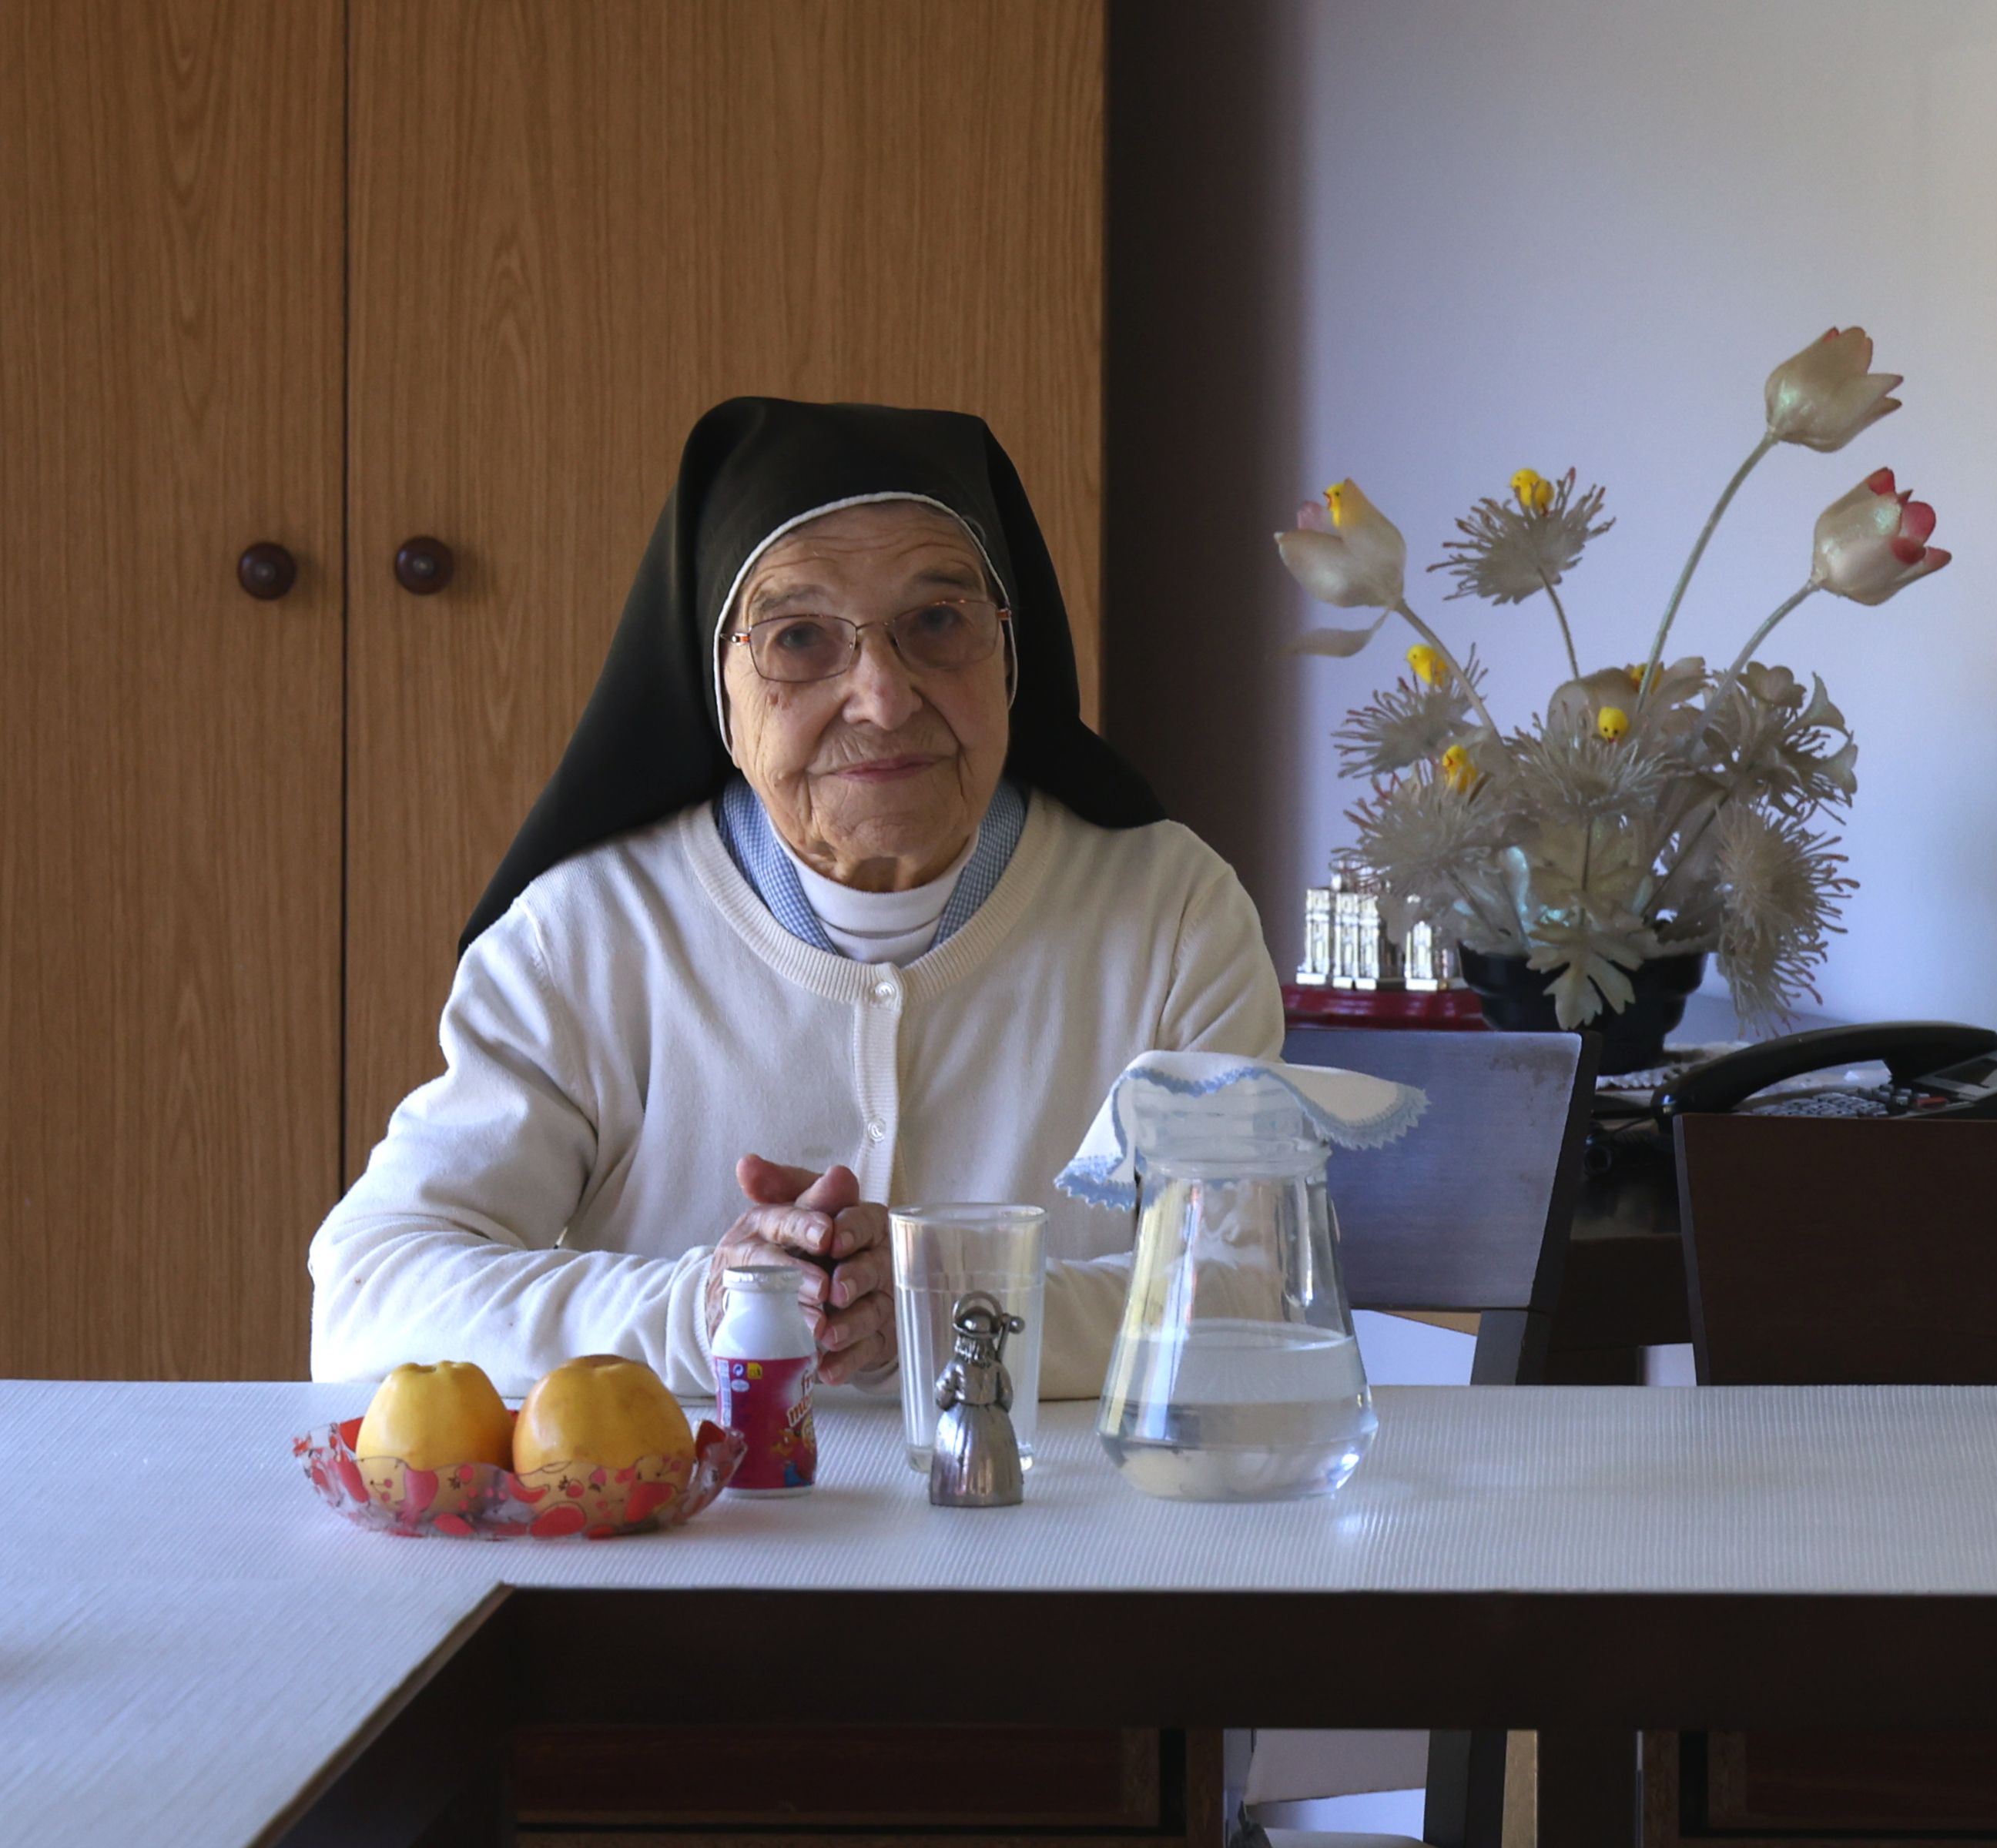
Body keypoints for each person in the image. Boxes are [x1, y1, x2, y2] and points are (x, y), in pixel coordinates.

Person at [310, 399, 1282, 1398]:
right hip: (695, 1548)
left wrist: (945, 1304)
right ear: (717, 684)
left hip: (1062, 1543)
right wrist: (705, 1312)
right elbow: (368, 1300)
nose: (884, 697)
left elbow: (1261, 1290)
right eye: (800, 638)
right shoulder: (590, 935)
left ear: (1011, 649)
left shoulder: (1170, 914)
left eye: (939, 623)